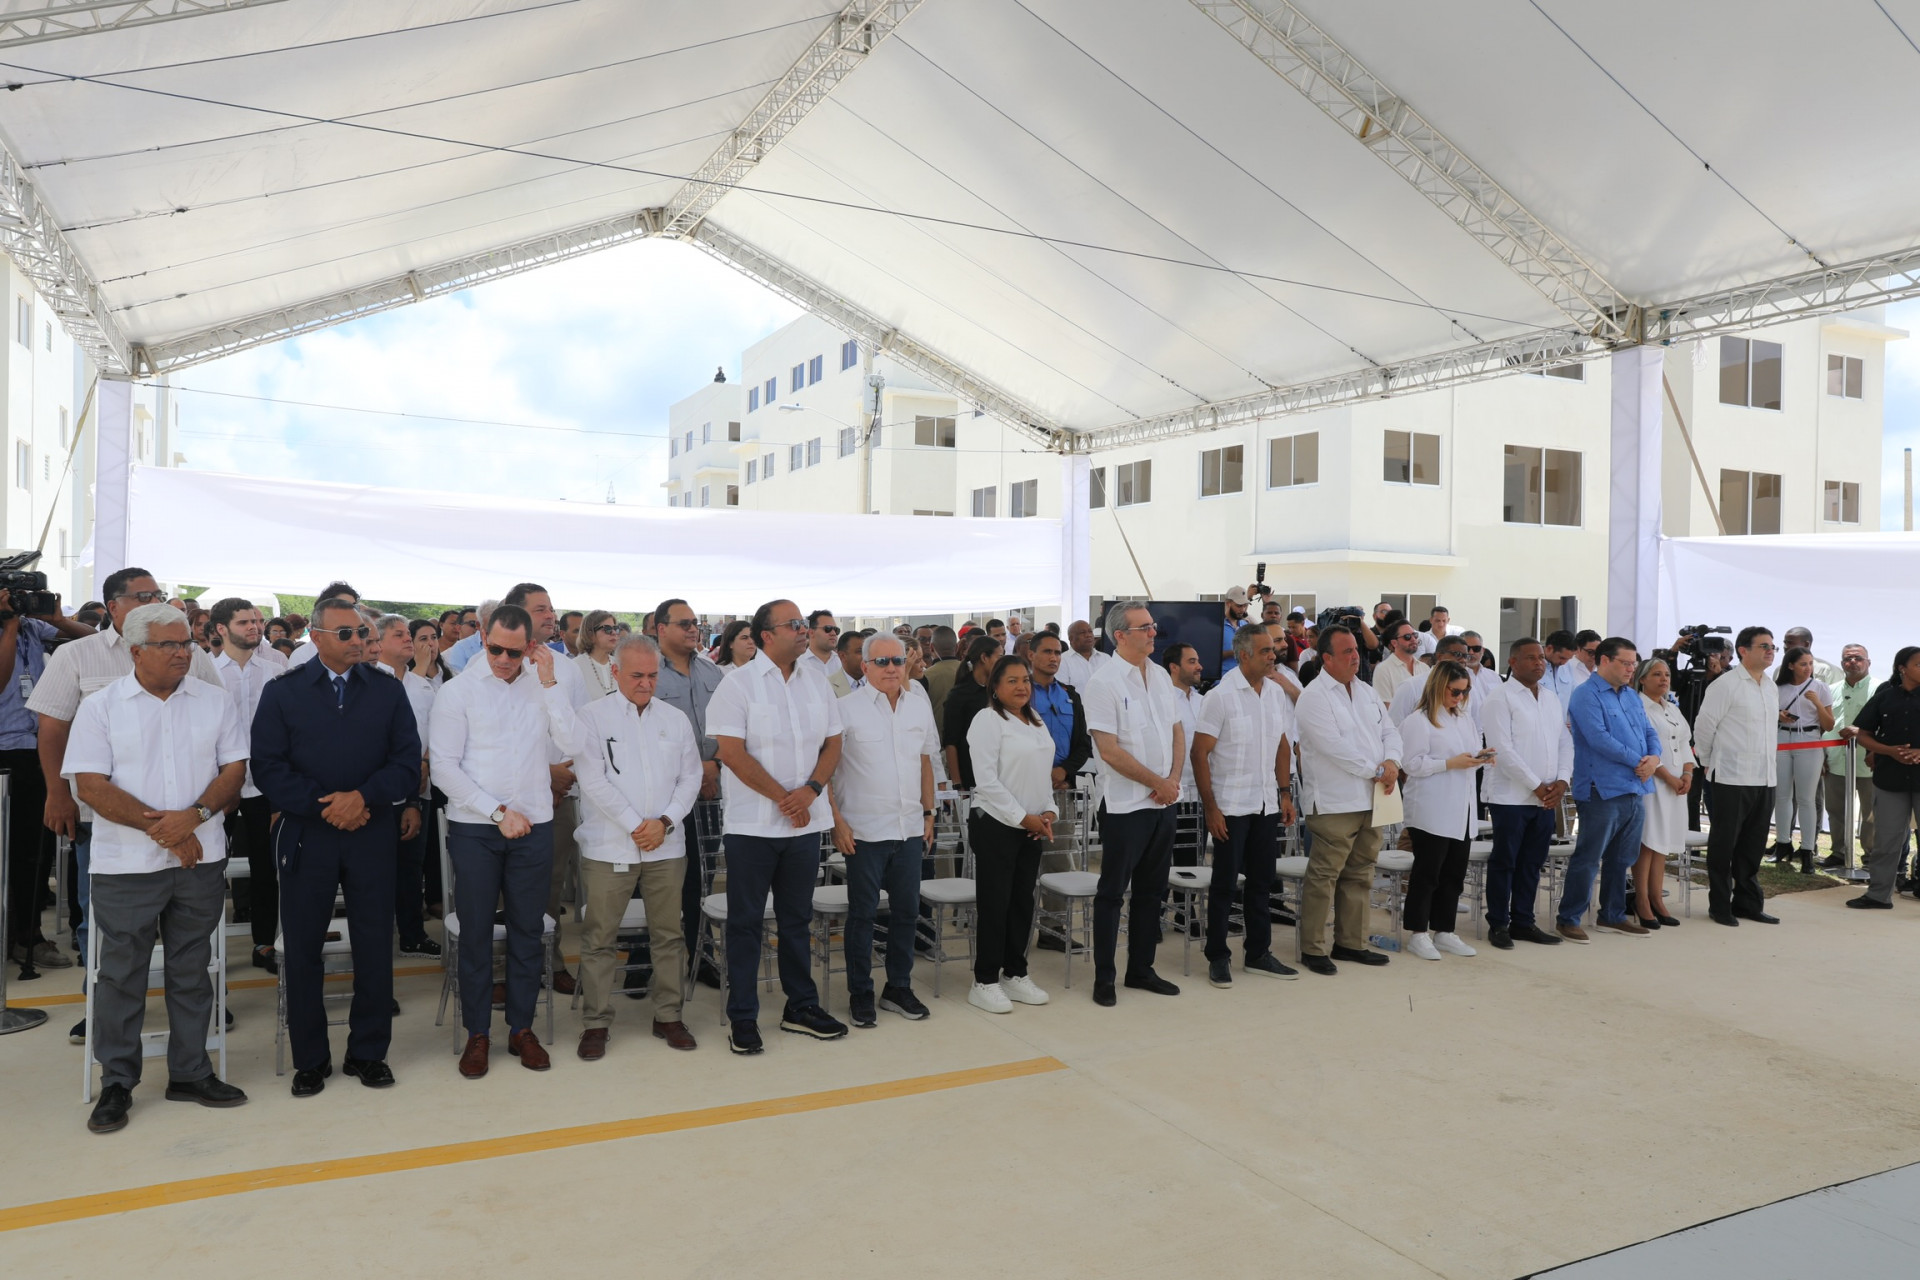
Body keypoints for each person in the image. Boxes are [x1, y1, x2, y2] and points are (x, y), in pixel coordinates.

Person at [65, 604, 249, 1133]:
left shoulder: (214, 701)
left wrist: (193, 819)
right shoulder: (101, 708)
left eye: (187, 643)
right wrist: (167, 831)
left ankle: (190, 1072)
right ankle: (117, 1083)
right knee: (121, 974)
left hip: (199, 860)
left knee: (192, 969)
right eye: (169, 645)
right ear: (135, 650)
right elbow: (90, 786)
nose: (182, 653)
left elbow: (234, 770)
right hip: (126, 865)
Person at [29, 568, 222, 1039]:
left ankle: (194, 1024)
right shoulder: (77, 654)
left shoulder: (190, 655)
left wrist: (190, 818)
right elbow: (52, 729)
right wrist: (58, 793)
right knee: (103, 924)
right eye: (143, 596)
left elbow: (216, 720)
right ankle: (99, 1005)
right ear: (113, 606)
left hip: (189, 821)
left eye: (158, 594)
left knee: (188, 942)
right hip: (104, 819)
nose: (154, 602)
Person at [250, 599, 422, 1097]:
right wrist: (326, 806)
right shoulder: (283, 692)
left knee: (374, 944)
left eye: (361, 633)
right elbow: (268, 766)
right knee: (304, 948)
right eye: (344, 633)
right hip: (309, 834)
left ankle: (369, 1053)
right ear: (317, 637)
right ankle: (310, 1059)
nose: (357, 641)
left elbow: (406, 761)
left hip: (371, 832)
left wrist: (362, 798)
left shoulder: (387, 691)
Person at [430, 603, 580, 1077]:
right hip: (477, 828)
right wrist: (497, 812)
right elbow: (443, 768)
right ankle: (478, 1033)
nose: (502, 659)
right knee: (475, 933)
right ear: (483, 637)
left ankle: (521, 1028)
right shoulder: (458, 691)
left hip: (533, 826)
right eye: (495, 648)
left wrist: (550, 681)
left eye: (514, 653)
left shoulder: (543, 685)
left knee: (528, 932)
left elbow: (574, 744)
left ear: (530, 647)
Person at [706, 599, 847, 1054]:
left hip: (805, 825)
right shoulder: (737, 684)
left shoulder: (817, 681)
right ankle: (743, 1017)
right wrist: (785, 799)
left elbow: (833, 743)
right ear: (767, 635)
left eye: (804, 623)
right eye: (794, 624)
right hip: (753, 828)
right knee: (746, 924)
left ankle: (800, 1006)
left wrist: (810, 791)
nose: (804, 630)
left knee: (796, 920)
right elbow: (731, 752)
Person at [569, 635, 702, 1056]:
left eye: (652, 675)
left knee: (669, 935)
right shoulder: (592, 717)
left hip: (666, 845)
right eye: (636, 675)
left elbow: (691, 777)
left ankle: (669, 1016)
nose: (646, 683)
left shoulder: (675, 719)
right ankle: (596, 1023)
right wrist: (636, 825)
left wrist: (664, 822)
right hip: (610, 847)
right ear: (615, 672)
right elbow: (592, 781)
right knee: (600, 938)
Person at [827, 633, 936, 1026]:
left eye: (898, 660)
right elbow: (825, 772)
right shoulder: (844, 709)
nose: (892, 668)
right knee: (862, 915)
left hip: (909, 828)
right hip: (863, 832)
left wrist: (929, 814)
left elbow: (925, 762)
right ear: (865, 666)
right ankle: (860, 993)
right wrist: (837, 822)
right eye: (882, 661)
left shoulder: (918, 707)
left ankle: (898, 988)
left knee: (906, 912)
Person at [1082, 601, 1184, 1006]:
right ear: (1120, 636)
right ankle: (1104, 978)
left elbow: (1177, 731)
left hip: (1163, 801)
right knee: (1112, 893)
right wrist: (1157, 782)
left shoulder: (1159, 675)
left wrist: (1171, 782)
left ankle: (1141, 969)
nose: (1153, 633)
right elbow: (1108, 750)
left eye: (1152, 626)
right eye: (1144, 628)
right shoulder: (1102, 683)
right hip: (1125, 806)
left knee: (1151, 891)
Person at [1191, 623, 1299, 986]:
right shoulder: (1219, 697)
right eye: (1265, 651)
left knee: (1262, 882)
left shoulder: (1275, 693)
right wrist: (1211, 808)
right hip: (1230, 806)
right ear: (1243, 656)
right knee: (1225, 884)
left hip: (1266, 803)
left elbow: (1282, 746)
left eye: (1273, 650)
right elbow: (1199, 753)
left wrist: (1285, 793)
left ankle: (1258, 953)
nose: (1273, 656)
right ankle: (1217, 956)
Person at [1293, 625, 1401, 974]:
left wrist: (1392, 761)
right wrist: (1376, 770)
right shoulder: (1313, 696)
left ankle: (1350, 943)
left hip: (1372, 797)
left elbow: (1390, 731)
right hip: (1335, 801)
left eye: (1356, 649)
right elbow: (1333, 747)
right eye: (1347, 652)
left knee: (1360, 874)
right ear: (1326, 658)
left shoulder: (1366, 691)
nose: (1356, 656)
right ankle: (1312, 948)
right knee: (1324, 876)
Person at [0, 582, 91, 971]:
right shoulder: (13, 629)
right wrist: (8, 627)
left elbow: (96, 641)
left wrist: (60, 620)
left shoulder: (34, 628)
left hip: (37, 749)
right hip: (4, 751)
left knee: (33, 853)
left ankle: (29, 936)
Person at [963, 654, 1057, 1013]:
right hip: (996, 824)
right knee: (995, 902)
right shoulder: (987, 720)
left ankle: (1015, 973)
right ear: (995, 687)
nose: (1021, 687)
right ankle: (984, 981)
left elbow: (1042, 773)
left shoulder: (1035, 720)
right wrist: (1023, 817)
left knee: (1022, 902)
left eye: (1025, 680)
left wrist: (1048, 811)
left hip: (1031, 826)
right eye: (1012, 681)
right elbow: (986, 781)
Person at [1559, 637, 1661, 940]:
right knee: (1589, 857)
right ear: (1604, 660)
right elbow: (1599, 738)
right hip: (1600, 788)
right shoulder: (1585, 695)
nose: (1631, 669)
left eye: (1634, 663)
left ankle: (1612, 915)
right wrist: (1639, 761)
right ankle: (1569, 918)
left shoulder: (1631, 695)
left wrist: (1654, 759)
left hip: (1635, 786)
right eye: (1625, 663)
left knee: (1622, 858)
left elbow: (1649, 731)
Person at [208, 597, 288, 976]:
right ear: (221, 629)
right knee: (208, 869)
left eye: (257, 620)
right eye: (244, 622)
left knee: (265, 867)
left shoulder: (277, 668)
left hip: (264, 783)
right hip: (216, 784)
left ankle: (264, 943)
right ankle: (206, 951)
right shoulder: (205, 671)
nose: (255, 627)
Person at [652, 597, 727, 989]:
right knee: (655, 879)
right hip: (663, 795)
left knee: (702, 877)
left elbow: (731, 725)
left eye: (695, 622)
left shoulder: (711, 671)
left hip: (711, 791)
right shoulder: (648, 671)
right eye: (684, 623)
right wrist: (697, 769)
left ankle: (702, 954)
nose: (693, 629)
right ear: (661, 628)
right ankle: (645, 956)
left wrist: (715, 765)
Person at [1479, 638, 1572, 949]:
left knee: (1533, 862)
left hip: (1546, 796)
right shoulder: (1500, 698)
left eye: (1542, 657)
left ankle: (1523, 921)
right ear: (1513, 662)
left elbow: (1564, 742)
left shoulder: (1550, 698)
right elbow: (1501, 750)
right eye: (1531, 658)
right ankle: (1498, 924)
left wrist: (1562, 781)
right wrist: (1537, 785)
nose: (1539, 663)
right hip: (1510, 797)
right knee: (1505, 861)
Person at [1694, 627, 1783, 927]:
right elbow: (1704, 727)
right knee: (1724, 846)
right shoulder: (1726, 685)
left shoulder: (1770, 686)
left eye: (1772, 647)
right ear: (1743, 650)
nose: (1770, 651)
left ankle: (1748, 904)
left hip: (1765, 778)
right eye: (1763, 646)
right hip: (1731, 777)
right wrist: (1709, 763)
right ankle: (1720, 905)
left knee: (1753, 845)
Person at [1397, 661, 1486, 960]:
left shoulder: (1463, 718)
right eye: (1455, 691)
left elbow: (1469, 754)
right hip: (1431, 808)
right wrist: (1449, 764)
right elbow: (1410, 764)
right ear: (1438, 686)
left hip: (1462, 807)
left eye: (1465, 692)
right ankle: (1418, 933)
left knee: (1454, 873)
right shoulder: (1418, 721)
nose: (1460, 698)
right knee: (1427, 874)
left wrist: (1481, 758)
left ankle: (1445, 930)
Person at [1847, 646, 1920, 910]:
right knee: (1886, 841)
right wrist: (1888, 751)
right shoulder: (1884, 697)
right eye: (1918, 664)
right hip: (1890, 780)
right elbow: (1863, 733)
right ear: (1902, 668)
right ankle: (1878, 896)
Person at [1632, 658, 1693, 929]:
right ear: (1642, 679)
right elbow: (1643, 749)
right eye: (1657, 674)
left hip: (1676, 786)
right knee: (1649, 841)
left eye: (1666, 674)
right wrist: (1669, 778)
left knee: (1663, 843)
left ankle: (1657, 898)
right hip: (1653, 783)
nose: (1664, 679)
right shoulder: (1637, 706)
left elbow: (1685, 743)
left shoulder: (1672, 709)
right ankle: (1642, 900)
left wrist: (1688, 774)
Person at [1772, 645, 1834, 873]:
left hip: (1809, 740)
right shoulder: (1777, 688)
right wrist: (1778, 715)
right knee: (1782, 796)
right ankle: (1782, 843)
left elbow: (1829, 724)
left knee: (1806, 798)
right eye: (1803, 664)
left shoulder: (1820, 687)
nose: (1808, 668)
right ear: (1790, 666)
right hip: (1782, 738)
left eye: (1810, 664)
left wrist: (1817, 702)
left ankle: (1807, 849)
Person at [1821, 644, 1876, 869]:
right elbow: (1822, 724)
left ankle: (1871, 857)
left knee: (1871, 814)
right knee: (1836, 810)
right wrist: (1821, 755)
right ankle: (1839, 853)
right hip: (1836, 760)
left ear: (1868, 662)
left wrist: (1874, 748)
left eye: (1858, 658)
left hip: (1868, 762)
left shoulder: (1880, 689)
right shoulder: (1830, 690)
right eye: (1847, 658)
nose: (1852, 662)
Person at [1026, 631, 1093, 789]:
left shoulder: (1070, 695)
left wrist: (1065, 770)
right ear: (1031, 655)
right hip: (1027, 781)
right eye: (1047, 652)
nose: (1053, 658)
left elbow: (1083, 743)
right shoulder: (1021, 693)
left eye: (1057, 653)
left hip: (1063, 784)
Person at [940, 635, 1002, 788]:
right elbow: (951, 742)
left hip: (999, 773)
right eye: (999, 657)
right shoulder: (959, 694)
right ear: (984, 658)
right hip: (970, 775)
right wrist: (957, 783)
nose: (1002, 663)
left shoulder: (999, 690)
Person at [285, 581, 361, 667]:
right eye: (342, 606)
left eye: (354, 607)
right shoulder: (302, 656)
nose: (350, 611)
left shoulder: (361, 649)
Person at [441, 599, 501, 673]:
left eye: (500, 627)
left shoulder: (510, 644)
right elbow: (459, 678)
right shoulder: (461, 648)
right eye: (490, 628)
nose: (496, 632)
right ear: (478, 625)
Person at [1370, 619, 1422, 704]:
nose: (1413, 639)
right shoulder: (1383, 670)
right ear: (1394, 643)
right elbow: (1385, 707)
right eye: (1407, 637)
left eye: (1415, 635)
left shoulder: (1424, 668)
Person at [800, 609, 848, 696]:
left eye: (836, 630)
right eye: (828, 629)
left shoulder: (843, 662)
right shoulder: (798, 664)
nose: (833, 633)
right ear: (811, 632)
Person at [574, 609, 620, 699]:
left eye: (615, 628)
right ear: (590, 634)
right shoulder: (575, 666)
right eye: (607, 629)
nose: (614, 633)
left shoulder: (621, 664)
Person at [1058, 619, 1110, 690]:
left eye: (1090, 631)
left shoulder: (1106, 658)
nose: (1088, 635)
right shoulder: (1062, 661)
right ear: (1071, 638)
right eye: (1082, 632)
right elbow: (1062, 691)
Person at [1543, 630, 1589, 707]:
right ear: (1549, 649)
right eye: (1562, 658)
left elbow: (1575, 693)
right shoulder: (1534, 668)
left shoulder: (1567, 667)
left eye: (1568, 659)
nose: (1564, 663)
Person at [1220, 587, 1250, 675]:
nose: (1243, 609)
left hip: (1245, 677)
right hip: (1223, 679)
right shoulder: (1217, 626)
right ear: (1228, 603)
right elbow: (1209, 656)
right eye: (1239, 606)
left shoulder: (1246, 625)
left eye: (1245, 605)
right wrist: (1235, 652)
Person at [834, 628, 866, 695]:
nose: (866, 655)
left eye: (867, 651)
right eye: (860, 651)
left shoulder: (879, 684)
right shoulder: (827, 685)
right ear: (842, 656)